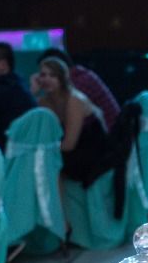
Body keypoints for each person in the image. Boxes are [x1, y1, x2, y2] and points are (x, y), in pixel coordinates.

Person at [31, 56, 111, 184]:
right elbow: (30, 127)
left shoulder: (74, 99)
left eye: (53, 75)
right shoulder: (44, 102)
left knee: (50, 164)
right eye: (43, 75)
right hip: (72, 151)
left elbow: (69, 144)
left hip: (93, 152)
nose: (47, 79)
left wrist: (42, 151)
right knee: (39, 163)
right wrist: (33, 92)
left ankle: (57, 204)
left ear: (62, 79)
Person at [41, 46, 120, 127]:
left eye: (51, 75)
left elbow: (62, 118)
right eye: (43, 75)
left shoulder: (78, 84)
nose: (45, 80)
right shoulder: (77, 76)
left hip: (111, 133)